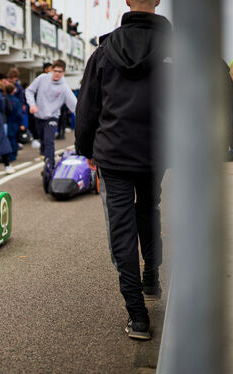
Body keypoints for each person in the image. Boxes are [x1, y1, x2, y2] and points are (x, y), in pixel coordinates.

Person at [75, 0, 172, 341]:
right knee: (149, 209)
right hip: (155, 151)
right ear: (158, 2)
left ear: (128, 2)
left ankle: (138, 316)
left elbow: (87, 106)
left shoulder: (104, 50)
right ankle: (152, 279)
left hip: (113, 151)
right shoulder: (175, 50)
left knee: (121, 227)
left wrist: (86, 149)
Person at [25, 59, 77, 171]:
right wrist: (32, 105)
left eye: (60, 72)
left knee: (49, 141)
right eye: (55, 71)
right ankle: (45, 156)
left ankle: (50, 167)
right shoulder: (42, 78)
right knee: (42, 140)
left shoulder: (64, 87)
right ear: (52, 70)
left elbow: (75, 106)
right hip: (38, 115)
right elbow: (29, 91)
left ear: (63, 73)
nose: (57, 74)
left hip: (52, 117)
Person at [5, 83, 25, 161]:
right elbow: (19, 113)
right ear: (13, 91)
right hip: (14, 123)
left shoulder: (4, 99)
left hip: (6, 122)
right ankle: (13, 155)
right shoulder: (16, 101)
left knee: (7, 139)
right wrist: (22, 124)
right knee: (13, 140)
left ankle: (7, 155)